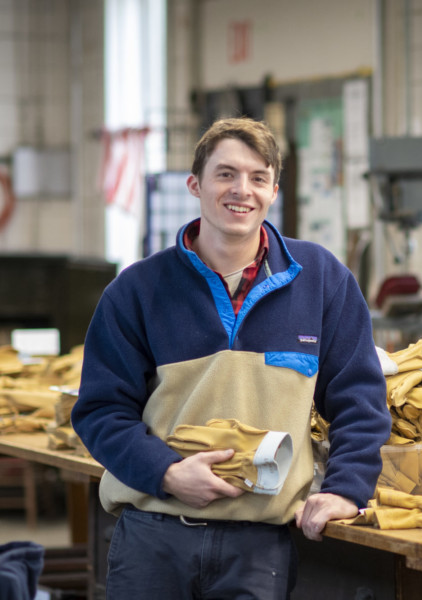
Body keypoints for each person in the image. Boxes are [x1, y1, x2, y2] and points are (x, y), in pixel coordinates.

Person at [71, 117, 392, 599]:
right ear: (195, 185)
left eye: (258, 177)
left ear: (274, 191)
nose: (242, 190)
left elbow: (360, 400)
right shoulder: (136, 290)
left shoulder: (322, 280)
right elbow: (100, 411)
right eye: (225, 174)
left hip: (259, 547)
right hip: (152, 536)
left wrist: (346, 488)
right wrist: (168, 472)